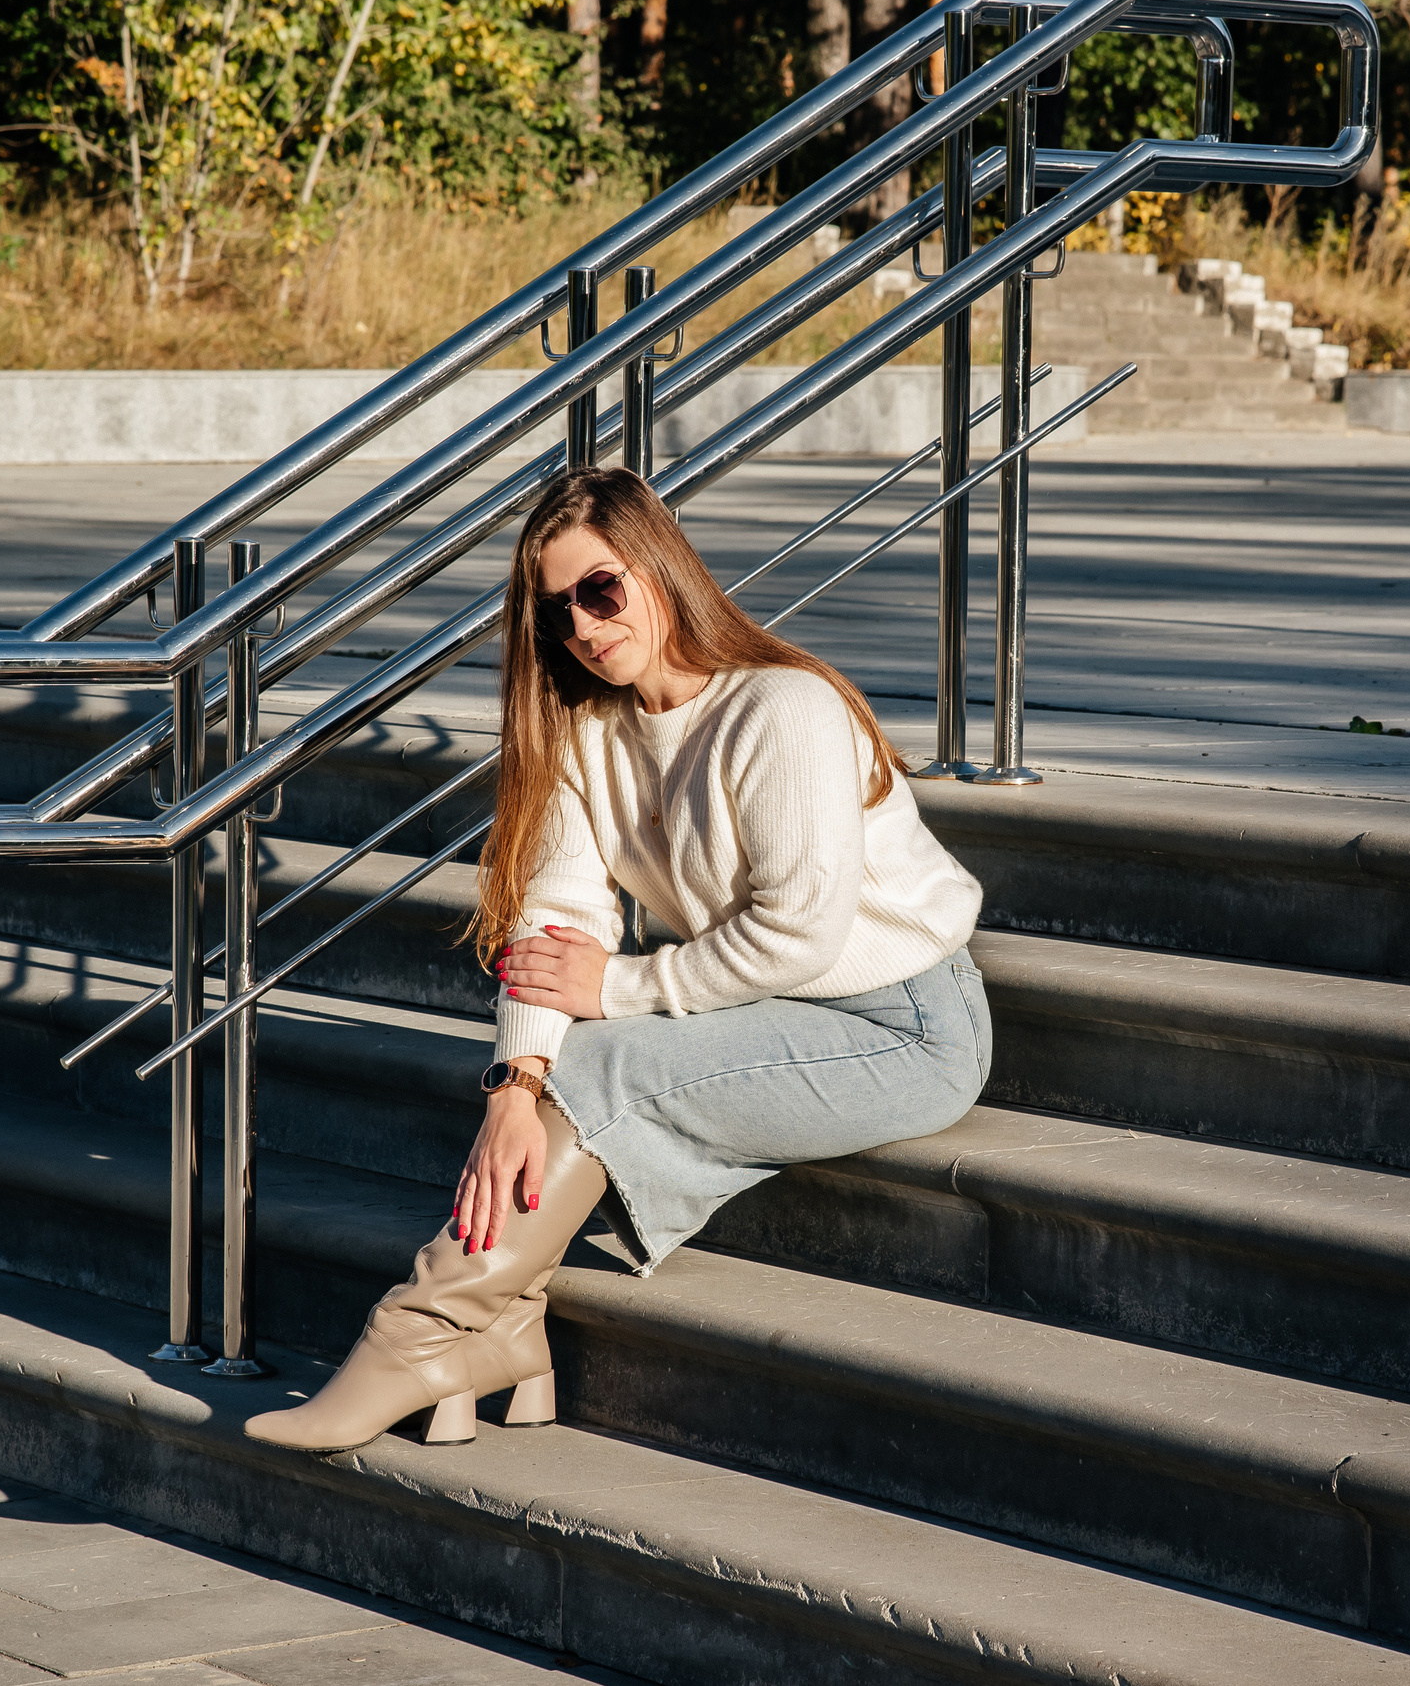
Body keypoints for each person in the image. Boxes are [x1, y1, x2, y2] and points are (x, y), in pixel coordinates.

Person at [245, 465, 992, 1454]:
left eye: (600, 589)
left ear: (659, 565)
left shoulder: (784, 707)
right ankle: (487, 1325)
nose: (585, 628)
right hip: (773, 1005)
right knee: (570, 1061)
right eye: (556, 614)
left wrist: (628, 986)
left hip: (904, 1025)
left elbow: (801, 929)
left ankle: (427, 1334)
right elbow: (554, 919)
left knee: (604, 1054)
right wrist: (515, 1082)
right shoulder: (589, 731)